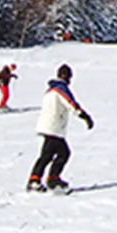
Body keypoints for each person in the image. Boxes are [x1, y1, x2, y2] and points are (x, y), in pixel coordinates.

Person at [27, 64, 94, 193]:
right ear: (65, 76)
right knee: (63, 153)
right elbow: (70, 103)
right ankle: (51, 180)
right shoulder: (61, 89)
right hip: (54, 127)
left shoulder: (51, 90)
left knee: (47, 155)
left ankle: (37, 179)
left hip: (48, 126)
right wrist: (84, 116)